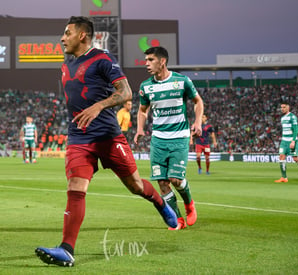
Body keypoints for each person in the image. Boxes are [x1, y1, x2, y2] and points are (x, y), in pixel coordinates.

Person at [35, 16, 178, 267]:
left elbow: (126, 92)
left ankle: (159, 202)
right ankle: (67, 250)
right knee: (75, 189)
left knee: (135, 186)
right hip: (79, 138)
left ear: (82, 35)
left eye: (67, 33)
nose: (62, 38)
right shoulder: (66, 65)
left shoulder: (103, 59)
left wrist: (98, 106)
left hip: (109, 138)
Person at [134, 46, 203, 230]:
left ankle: (189, 204)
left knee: (175, 179)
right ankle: (177, 219)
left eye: (150, 60)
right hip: (158, 139)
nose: (146, 64)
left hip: (179, 137)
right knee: (162, 183)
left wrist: (197, 122)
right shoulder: (146, 86)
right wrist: (140, 128)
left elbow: (198, 101)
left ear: (162, 61)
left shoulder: (181, 81)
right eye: (146, 60)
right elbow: (142, 110)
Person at [274, 102, 298, 183]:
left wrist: (293, 141)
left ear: (288, 107)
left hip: (291, 141)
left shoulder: (293, 117)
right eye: (281, 107)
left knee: (295, 158)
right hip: (284, 141)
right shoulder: (282, 118)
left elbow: (295, 129)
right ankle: (284, 177)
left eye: (284, 107)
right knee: (281, 157)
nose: (282, 109)